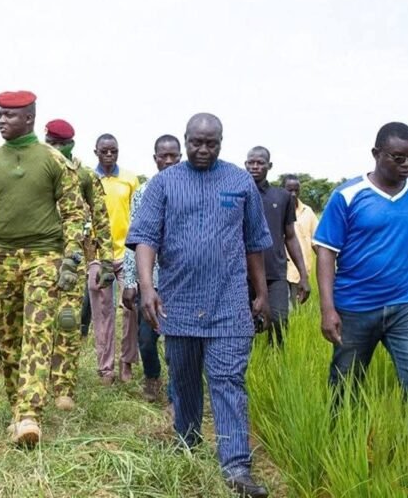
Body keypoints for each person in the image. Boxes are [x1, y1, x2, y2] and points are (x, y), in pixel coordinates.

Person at [127, 113, 272, 498]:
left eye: (211, 143)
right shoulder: (164, 183)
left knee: (228, 381)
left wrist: (260, 293)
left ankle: (236, 465)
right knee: (185, 380)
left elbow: (255, 242)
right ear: (186, 140)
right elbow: (144, 239)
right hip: (178, 302)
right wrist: (146, 287)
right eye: (197, 142)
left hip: (229, 302)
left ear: (222, 142)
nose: (203, 149)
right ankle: (187, 442)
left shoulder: (240, 182)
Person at [0, 90, 85, 446]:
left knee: (38, 331)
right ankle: (17, 409)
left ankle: (31, 414)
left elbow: (75, 212)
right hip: (1, 259)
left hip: (44, 257)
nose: (1, 120)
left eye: (9, 115)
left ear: (29, 118)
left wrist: (71, 258)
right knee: (8, 338)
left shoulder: (53, 161)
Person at [315, 122, 408, 400]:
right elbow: (326, 251)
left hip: (406, 303)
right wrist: (328, 309)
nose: (406, 165)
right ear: (376, 153)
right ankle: (338, 438)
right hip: (355, 307)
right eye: (398, 158)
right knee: (345, 387)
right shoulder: (348, 195)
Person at [44, 118, 114, 411]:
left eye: (61, 144)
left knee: (68, 321)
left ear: (72, 144)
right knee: (39, 323)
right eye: (52, 144)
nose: (57, 150)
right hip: (39, 257)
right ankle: (39, 380)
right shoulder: (38, 171)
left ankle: (64, 386)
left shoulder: (84, 176)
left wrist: (107, 261)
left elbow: (101, 218)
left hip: (72, 259)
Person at [122, 135, 181, 403]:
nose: (169, 161)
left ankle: (176, 390)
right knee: (146, 339)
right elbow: (134, 239)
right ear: (155, 158)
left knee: (175, 341)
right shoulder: (143, 193)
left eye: (174, 156)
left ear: (181, 157)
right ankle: (152, 377)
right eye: (163, 156)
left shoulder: (191, 187)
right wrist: (130, 281)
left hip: (180, 280)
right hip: (150, 280)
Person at [245, 147, 310, 345]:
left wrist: (303, 276)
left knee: (279, 320)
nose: (255, 167)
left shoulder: (282, 197)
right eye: (251, 162)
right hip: (242, 273)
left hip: (275, 273)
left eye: (260, 163)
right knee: (244, 324)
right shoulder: (238, 195)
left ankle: (276, 360)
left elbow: (290, 236)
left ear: (269, 166)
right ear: (245, 164)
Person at [91, 133, 141, 384]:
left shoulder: (130, 179)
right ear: (96, 152)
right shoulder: (89, 179)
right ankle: (105, 368)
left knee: (131, 308)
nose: (109, 155)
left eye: (114, 151)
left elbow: (138, 215)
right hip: (100, 256)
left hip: (127, 255)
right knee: (102, 311)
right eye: (104, 151)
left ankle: (127, 362)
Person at [281, 174, 319, 308]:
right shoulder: (277, 209)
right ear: (282, 189)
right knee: (283, 312)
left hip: (301, 272)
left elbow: (317, 242)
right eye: (289, 190)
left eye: (296, 190)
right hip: (282, 272)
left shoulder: (307, 212)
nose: (293, 194)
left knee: (297, 310)